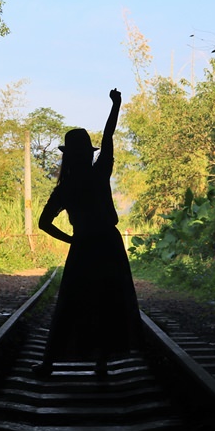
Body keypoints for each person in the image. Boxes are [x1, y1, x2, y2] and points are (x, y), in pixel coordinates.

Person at [33, 88, 143, 376]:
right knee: (108, 301)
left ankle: (48, 364)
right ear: (87, 154)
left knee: (72, 302)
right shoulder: (99, 173)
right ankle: (102, 363)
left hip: (83, 248)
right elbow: (108, 139)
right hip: (108, 244)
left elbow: (44, 223)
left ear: (68, 156)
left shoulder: (64, 188)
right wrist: (115, 106)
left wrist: (72, 239)